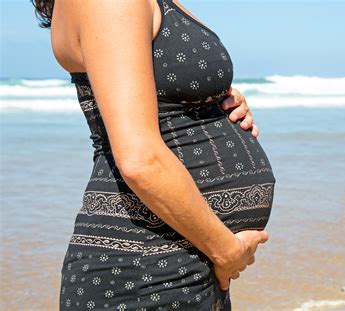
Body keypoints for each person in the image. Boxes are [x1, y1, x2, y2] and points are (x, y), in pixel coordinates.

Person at [32, 0, 276, 309]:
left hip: (181, 258)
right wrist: (225, 250)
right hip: (147, 269)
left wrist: (213, 104)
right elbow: (139, 159)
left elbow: (162, 92)